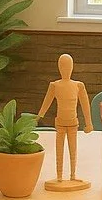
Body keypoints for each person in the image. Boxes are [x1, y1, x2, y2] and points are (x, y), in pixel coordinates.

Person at [37, 53, 92, 191]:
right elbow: (47, 102)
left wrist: (89, 123)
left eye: (68, 66)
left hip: (73, 123)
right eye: (63, 66)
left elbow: (85, 105)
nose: (66, 69)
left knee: (73, 151)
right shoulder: (54, 86)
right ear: (59, 68)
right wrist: (38, 116)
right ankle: (59, 175)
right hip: (60, 124)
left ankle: (73, 175)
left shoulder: (78, 85)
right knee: (59, 151)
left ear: (72, 67)